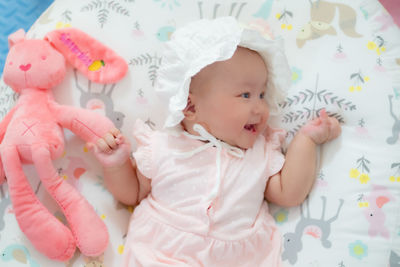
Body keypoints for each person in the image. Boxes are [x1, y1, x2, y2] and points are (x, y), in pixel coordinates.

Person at [88, 17, 341, 266]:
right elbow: (132, 193)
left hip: (238, 258)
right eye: (246, 95)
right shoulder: (165, 147)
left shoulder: (259, 153)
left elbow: (290, 193)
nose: (261, 107)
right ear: (190, 106)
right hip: (163, 253)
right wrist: (117, 164)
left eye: (262, 94)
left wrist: (306, 141)